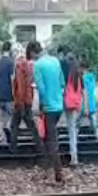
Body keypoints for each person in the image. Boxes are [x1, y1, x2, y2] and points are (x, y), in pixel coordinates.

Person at [32, 40, 65, 183]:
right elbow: (62, 82)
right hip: (59, 106)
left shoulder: (37, 65)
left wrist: (43, 105)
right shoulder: (56, 61)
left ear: (33, 52)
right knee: (47, 138)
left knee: (51, 140)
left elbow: (41, 87)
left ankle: (58, 173)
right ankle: (46, 168)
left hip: (49, 108)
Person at [9, 42, 45, 158]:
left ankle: (14, 149)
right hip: (27, 99)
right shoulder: (29, 65)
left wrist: (20, 102)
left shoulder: (20, 65)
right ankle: (39, 147)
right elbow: (28, 83)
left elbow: (20, 84)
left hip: (21, 101)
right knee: (29, 125)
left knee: (16, 125)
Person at [0, 41, 15, 147]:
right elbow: (12, 79)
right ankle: (8, 127)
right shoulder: (11, 63)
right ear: (10, 50)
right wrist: (14, 93)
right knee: (12, 115)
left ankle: (2, 139)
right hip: (9, 95)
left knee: (0, 119)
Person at [62, 55, 84, 166]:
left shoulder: (66, 73)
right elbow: (83, 91)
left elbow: (63, 88)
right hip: (76, 104)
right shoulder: (79, 75)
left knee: (70, 129)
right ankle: (74, 155)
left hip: (67, 103)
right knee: (73, 130)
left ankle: (73, 157)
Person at [80, 59, 98, 141]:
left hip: (83, 104)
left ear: (82, 68)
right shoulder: (91, 77)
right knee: (94, 123)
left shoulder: (81, 78)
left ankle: (75, 138)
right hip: (91, 103)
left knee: (77, 124)